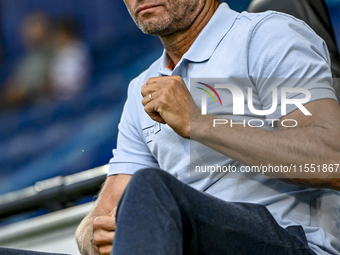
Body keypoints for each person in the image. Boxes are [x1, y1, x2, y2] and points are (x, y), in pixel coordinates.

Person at [76, 0, 340, 255]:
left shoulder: (267, 36)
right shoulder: (140, 88)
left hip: (292, 243)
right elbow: (102, 213)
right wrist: (95, 236)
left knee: (152, 189)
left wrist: (199, 122)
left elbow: (333, 161)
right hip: (184, 243)